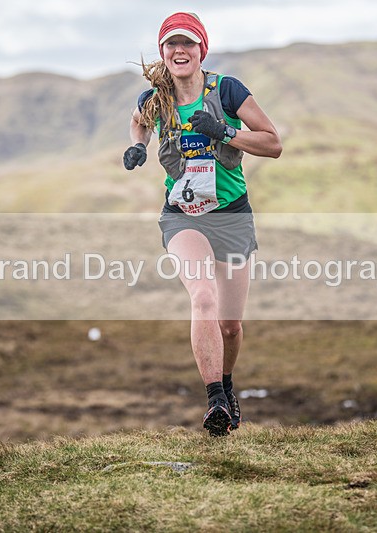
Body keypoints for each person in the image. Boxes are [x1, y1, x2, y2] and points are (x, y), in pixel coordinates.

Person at [123, 12, 282, 436]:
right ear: (162, 52)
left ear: (201, 50)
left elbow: (273, 143)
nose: (180, 51)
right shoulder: (152, 98)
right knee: (204, 297)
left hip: (231, 216)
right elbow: (139, 123)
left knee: (230, 325)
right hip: (183, 217)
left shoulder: (227, 90)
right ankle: (215, 403)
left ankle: (227, 384)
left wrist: (225, 131)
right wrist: (137, 147)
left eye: (188, 43)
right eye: (171, 44)